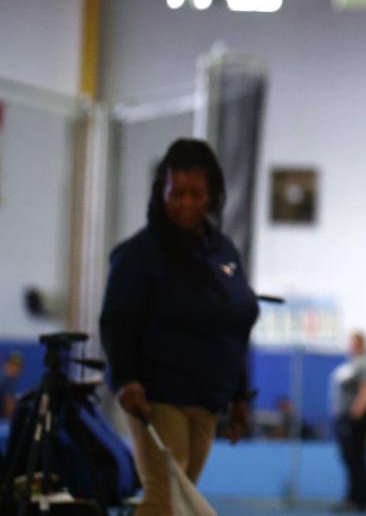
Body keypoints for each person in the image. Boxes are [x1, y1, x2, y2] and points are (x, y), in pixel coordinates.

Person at [99, 138, 259, 516]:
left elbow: (234, 325)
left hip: (207, 398)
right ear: (162, 191)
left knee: (182, 496)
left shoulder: (223, 251)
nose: (186, 203)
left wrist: (239, 397)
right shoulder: (139, 254)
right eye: (177, 193)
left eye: (196, 194)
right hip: (157, 394)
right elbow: (116, 321)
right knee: (163, 496)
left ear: (214, 195)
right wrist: (126, 379)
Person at [330, 331, 366, 512]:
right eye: (350, 343)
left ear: (362, 345)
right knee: (349, 458)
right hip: (344, 417)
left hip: (354, 418)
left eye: (355, 343)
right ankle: (352, 497)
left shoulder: (363, 363)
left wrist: (358, 410)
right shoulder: (350, 365)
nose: (352, 346)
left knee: (357, 458)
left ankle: (360, 500)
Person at [0, 351, 24, 420]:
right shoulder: (8, 381)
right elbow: (9, 410)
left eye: (18, 366)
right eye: (12, 365)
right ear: (5, 365)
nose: (15, 369)